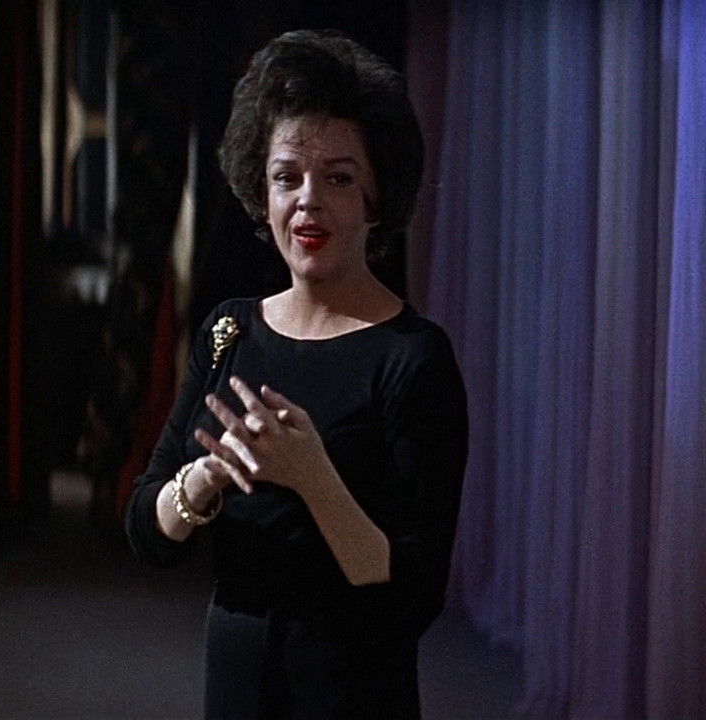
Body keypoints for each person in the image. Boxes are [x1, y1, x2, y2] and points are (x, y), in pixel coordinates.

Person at [125, 29, 468, 719]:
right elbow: (145, 529)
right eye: (287, 177)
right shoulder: (229, 331)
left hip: (352, 686)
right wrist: (203, 481)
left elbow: (413, 596)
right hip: (235, 675)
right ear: (262, 190)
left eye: (338, 178)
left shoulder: (413, 357)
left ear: (375, 197)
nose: (308, 201)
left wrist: (313, 477)